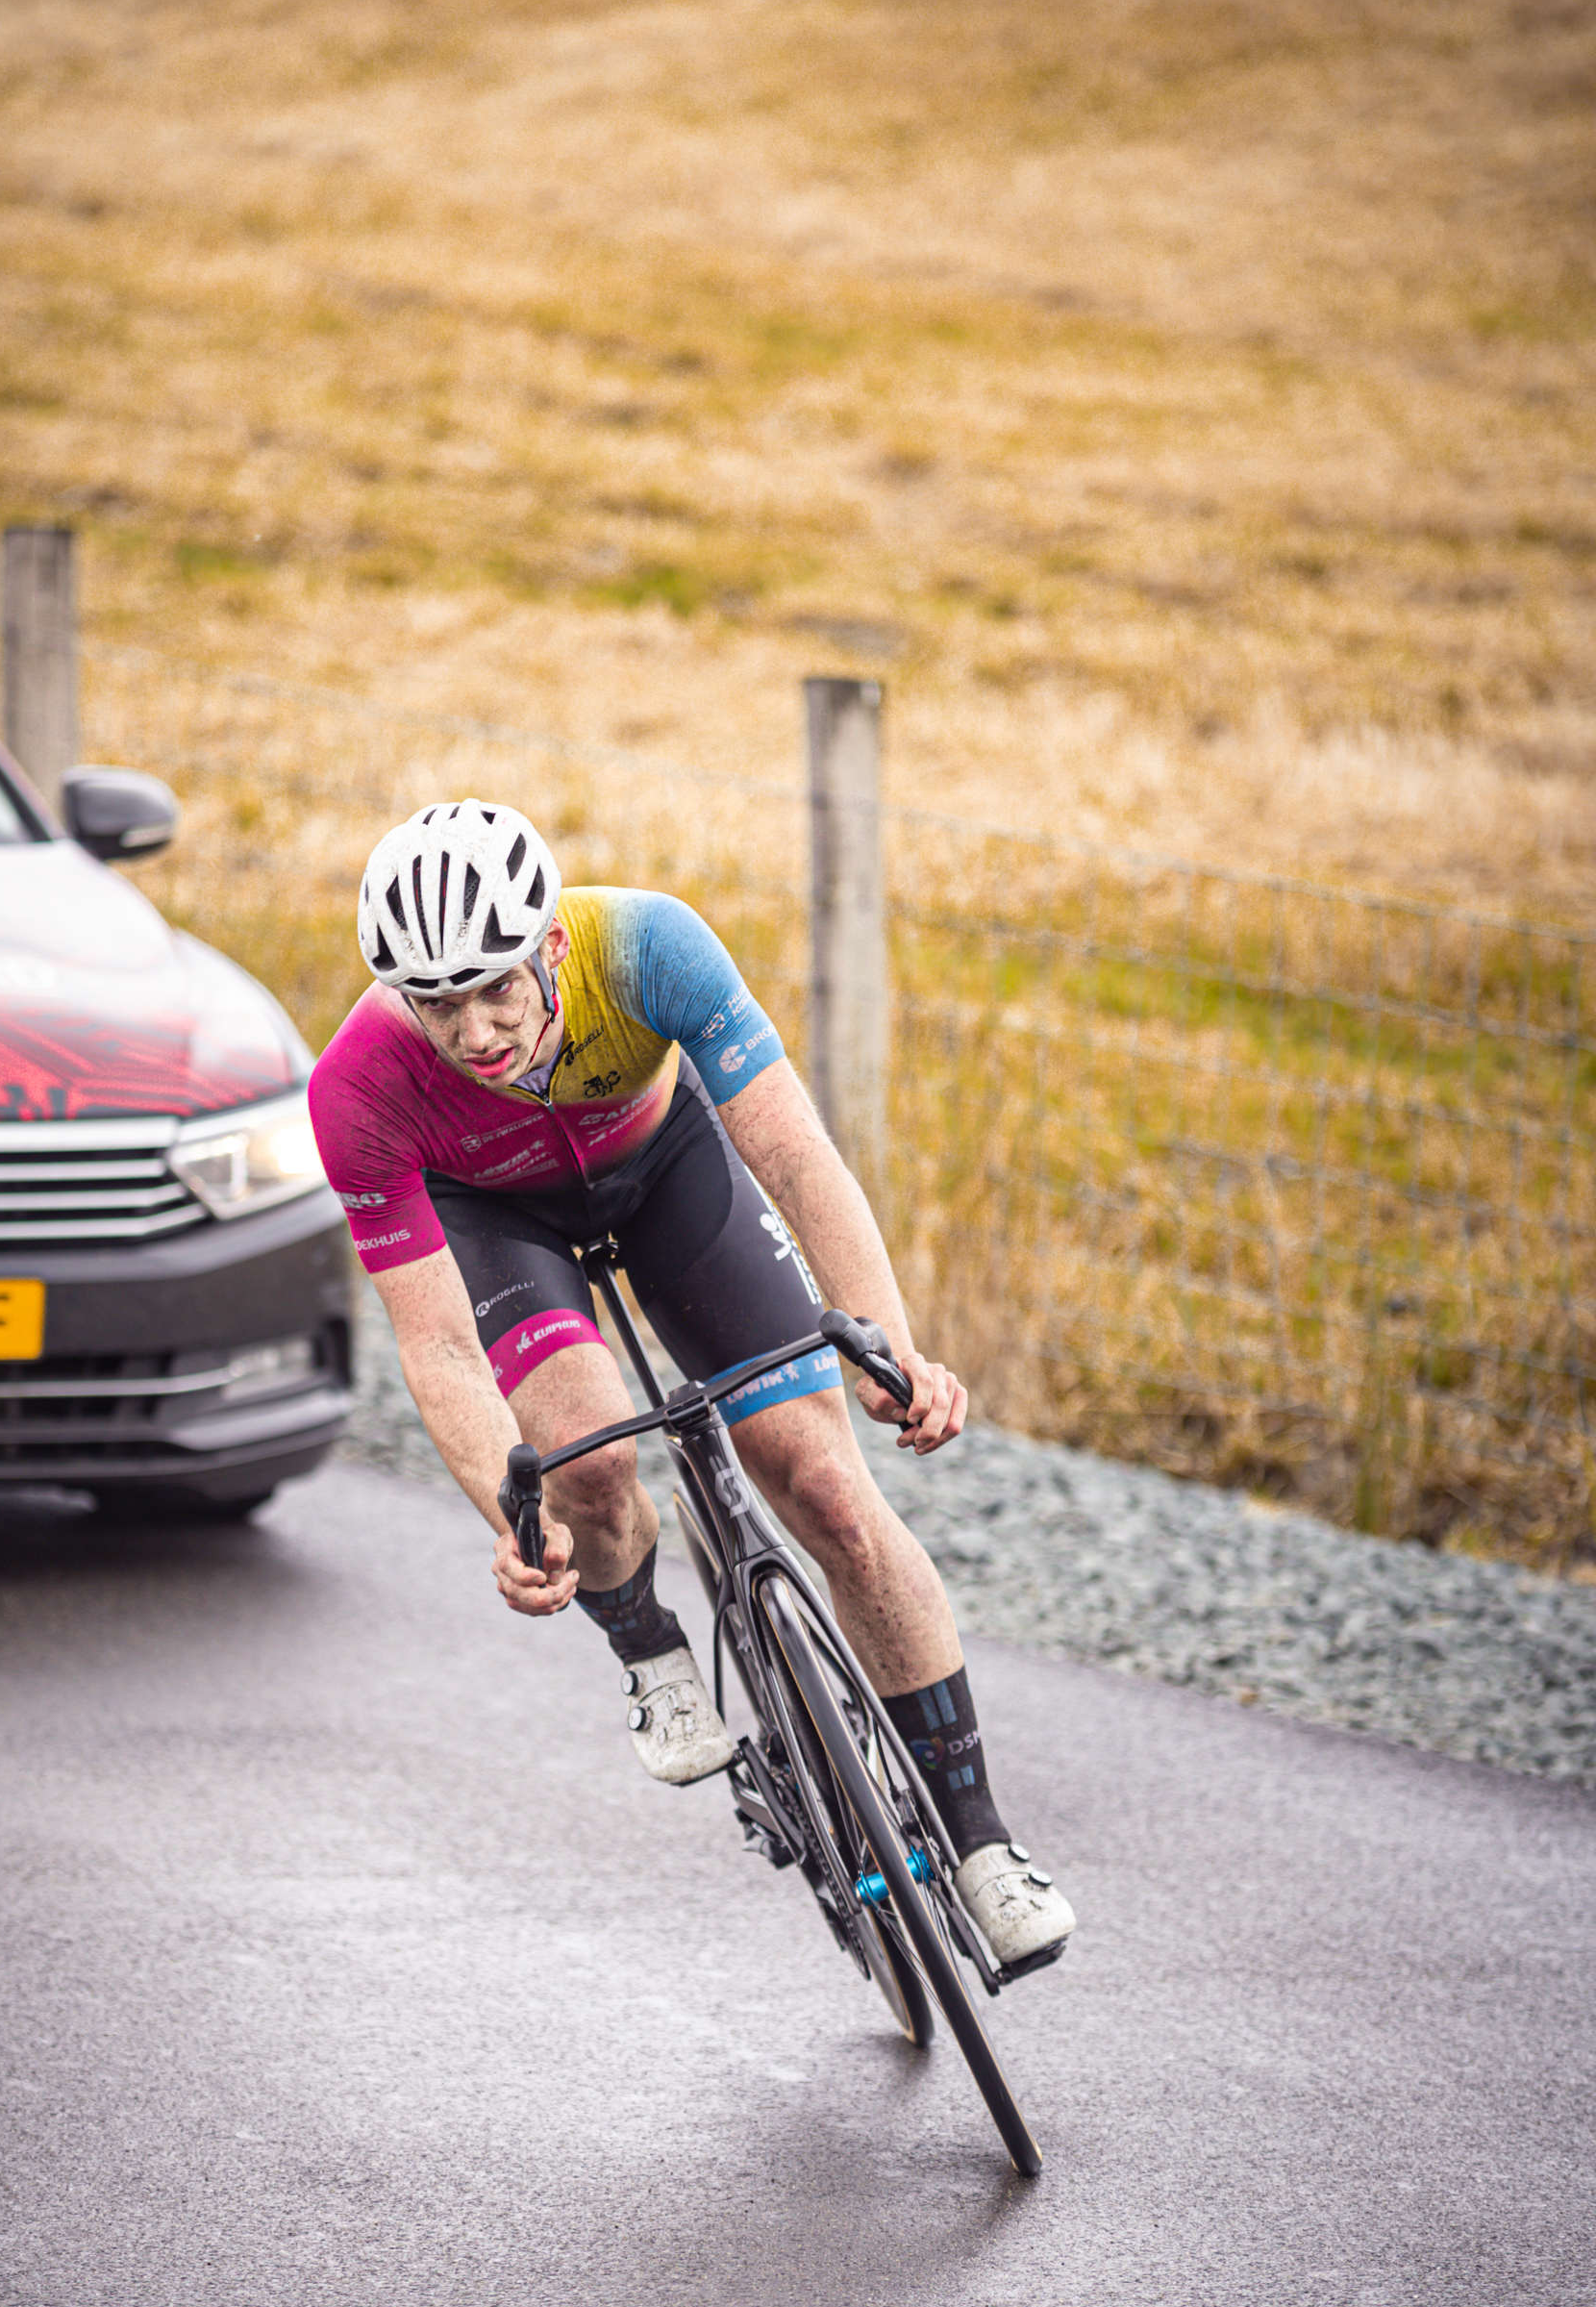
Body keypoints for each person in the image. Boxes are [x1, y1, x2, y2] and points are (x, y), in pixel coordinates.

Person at [309, 797, 1076, 1970]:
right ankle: (650, 1651)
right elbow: (442, 1349)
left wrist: (887, 1345)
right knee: (588, 1459)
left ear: (550, 947)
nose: (470, 1031)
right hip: (499, 1223)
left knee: (824, 1488)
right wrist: (510, 1522)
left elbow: (792, 1154)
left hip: (665, 1169)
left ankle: (980, 1848)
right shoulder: (357, 1092)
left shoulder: (647, 946)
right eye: (436, 1001)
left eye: (494, 988)